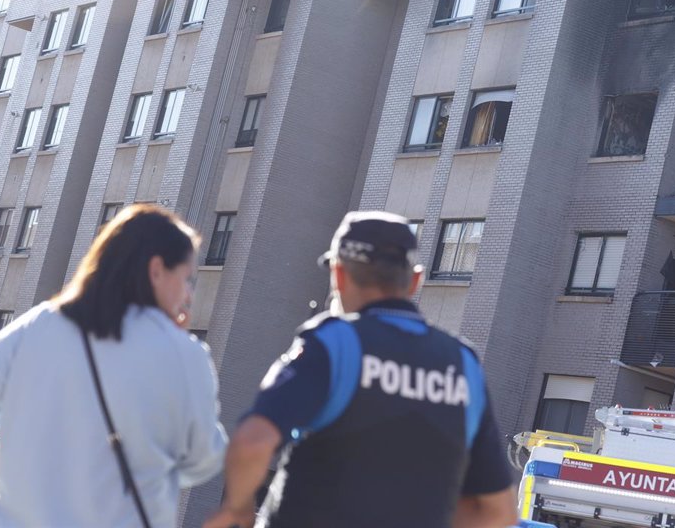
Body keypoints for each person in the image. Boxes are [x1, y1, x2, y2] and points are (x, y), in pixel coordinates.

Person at [203, 211, 517, 528]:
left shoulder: (335, 341)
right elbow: (497, 512)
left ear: (338, 275)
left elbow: (252, 443)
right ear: (415, 281)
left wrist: (237, 509)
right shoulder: (463, 364)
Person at [0, 204, 227, 527]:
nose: (188, 295)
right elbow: (203, 460)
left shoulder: (37, 327)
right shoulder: (183, 354)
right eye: (186, 279)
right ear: (156, 271)